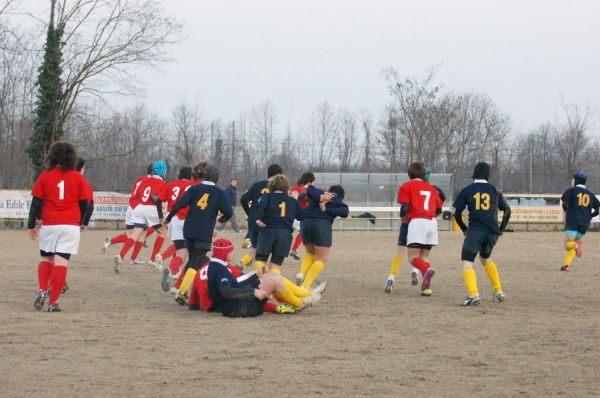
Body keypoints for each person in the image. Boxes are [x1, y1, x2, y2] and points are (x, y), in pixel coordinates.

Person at [28, 142, 89, 312]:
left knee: (45, 258)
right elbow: (85, 204)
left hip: (49, 224)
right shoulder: (78, 177)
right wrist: (81, 221)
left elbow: (36, 203)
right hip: (70, 225)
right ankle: (53, 303)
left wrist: (31, 225)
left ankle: (42, 290)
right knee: (61, 263)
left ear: (52, 156)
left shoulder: (45, 176)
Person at [164, 164, 233, 305]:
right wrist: (220, 219)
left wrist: (168, 218)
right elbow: (229, 212)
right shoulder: (219, 193)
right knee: (198, 261)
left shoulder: (194, 188)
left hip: (189, 230)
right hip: (203, 231)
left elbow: (179, 204)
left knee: (193, 260)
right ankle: (182, 292)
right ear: (217, 178)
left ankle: (178, 287)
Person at [202, 239, 321, 317]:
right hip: (237, 308)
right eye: (230, 252)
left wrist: (256, 275)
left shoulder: (217, 265)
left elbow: (234, 283)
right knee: (273, 281)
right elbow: (226, 292)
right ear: (224, 253)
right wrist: (253, 291)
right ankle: (301, 303)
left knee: (272, 275)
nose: (231, 255)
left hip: (235, 303)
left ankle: (304, 296)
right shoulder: (219, 269)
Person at [453, 162, 512, 306]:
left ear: (474, 174)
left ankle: (473, 294)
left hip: (475, 231)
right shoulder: (495, 190)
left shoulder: (467, 190)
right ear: (488, 175)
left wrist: (464, 229)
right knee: (485, 258)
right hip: (492, 233)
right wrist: (501, 230)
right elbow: (507, 210)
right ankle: (498, 290)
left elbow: (457, 214)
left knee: (467, 262)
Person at [384, 167, 446, 293]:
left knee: (411, 257)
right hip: (432, 223)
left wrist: (403, 218)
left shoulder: (407, 186)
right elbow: (439, 209)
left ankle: (396, 275)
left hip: (416, 222)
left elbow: (404, 207)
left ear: (409, 174)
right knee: (424, 256)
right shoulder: (433, 188)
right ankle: (426, 288)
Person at [114, 161, 167, 273]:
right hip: (150, 209)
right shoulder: (162, 183)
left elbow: (138, 195)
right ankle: (152, 259)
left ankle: (120, 255)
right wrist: (161, 216)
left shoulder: (145, 180)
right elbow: (156, 199)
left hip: (139, 208)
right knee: (162, 233)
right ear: (163, 171)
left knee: (134, 235)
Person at [295, 183, 349, 290]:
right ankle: (305, 286)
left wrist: (319, 197)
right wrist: (327, 210)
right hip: (321, 225)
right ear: (341, 196)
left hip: (305, 223)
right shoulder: (335, 198)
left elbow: (309, 188)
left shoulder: (318, 193)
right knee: (321, 259)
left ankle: (301, 273)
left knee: (310, 253)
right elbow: (345, 211)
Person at [102, 163, 156, 257]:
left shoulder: (139, 179)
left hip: (131, 207)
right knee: (144, 232)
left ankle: (110, 242)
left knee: (132, 234)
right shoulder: (151, 181)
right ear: (153, 172)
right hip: (139, 209)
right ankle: (133, 258)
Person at [237, 164, 283, 269]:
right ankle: (259, 273)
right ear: (279, 176)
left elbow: (243, 199)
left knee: (255, 248)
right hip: (267, 223)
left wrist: (250, 213)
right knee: (263, 254)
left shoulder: (257, 185)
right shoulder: (278, 188)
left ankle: (242, 263)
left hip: (254, 222)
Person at [157, 166, 195, 292]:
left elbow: (158, 200)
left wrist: (161, 217)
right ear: (191, 175)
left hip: (174, 219)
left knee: (180, 253)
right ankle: (179, 284)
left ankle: (171, 269)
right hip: (190, 220)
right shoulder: (194, 185)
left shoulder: (170, 185)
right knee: (194, 257)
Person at [559, 171, 600, 272]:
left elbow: (565, 204)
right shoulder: (590, 194)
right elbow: (597, 210)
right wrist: (590, 216)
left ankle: (577, 245)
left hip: (573, 221)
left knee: (568, 245)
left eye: (573, 179)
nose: (572, 181)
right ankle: (566, 265)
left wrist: (566, 211)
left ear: (576, 180)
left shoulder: (571, 191)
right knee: (573, 243)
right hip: (585, 223)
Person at [288, 172, 314, 260]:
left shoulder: (295, 188)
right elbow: (306, 199)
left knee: (286, 233)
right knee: (304, 232)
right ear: (309, 181)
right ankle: (294, 249)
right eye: (313, 181)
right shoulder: (305, 190)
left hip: (289, 214)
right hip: (299, 215)